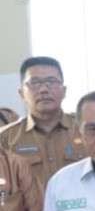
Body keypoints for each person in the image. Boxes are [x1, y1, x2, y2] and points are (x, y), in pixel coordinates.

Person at [1, 57, 87, 189]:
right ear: (22, 93)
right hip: (29, 210)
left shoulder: (86, 130)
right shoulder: (6, 139)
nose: (43, 90)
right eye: (35, 83)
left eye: (51, 82)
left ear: (64, 91)